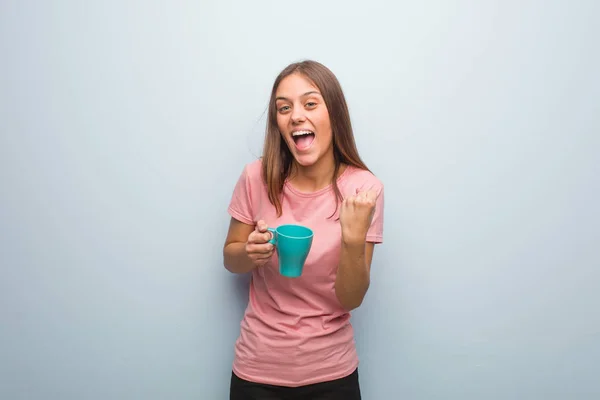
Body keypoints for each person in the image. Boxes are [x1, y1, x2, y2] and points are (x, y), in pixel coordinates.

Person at [223, 59, 384, 400]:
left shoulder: (364, 190)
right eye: (284, 108)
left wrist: (353, 239)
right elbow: (230, 259)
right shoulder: (256, 177)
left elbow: (351, 299)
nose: (295, 115)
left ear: (334, 114)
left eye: (310, 103)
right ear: (278, 122)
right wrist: (250, 253)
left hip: (332, 373)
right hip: (256, 372)